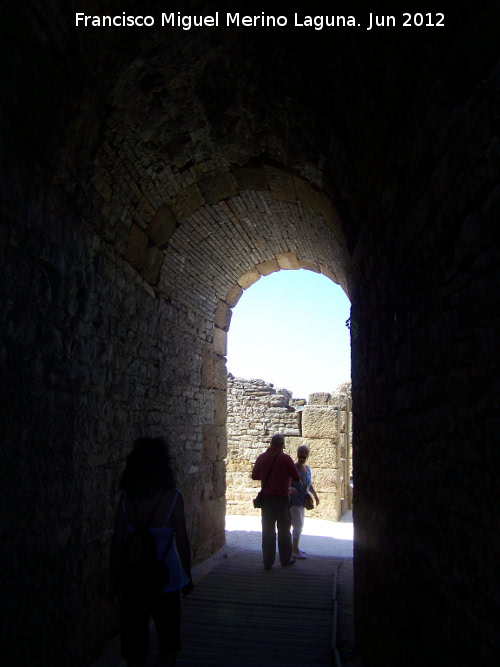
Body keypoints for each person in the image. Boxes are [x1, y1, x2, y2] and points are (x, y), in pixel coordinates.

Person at [109, 436, 194, 667]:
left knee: (135, 649)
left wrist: (113, 580)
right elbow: (183, 541)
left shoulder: (127, 499)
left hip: (133, 579)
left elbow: (117, 542)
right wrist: (187, 577)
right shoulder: (174, 498)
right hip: (167, 578)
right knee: (168, 644)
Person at [251, 433, 300, 569]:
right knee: (284, 530)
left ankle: (268, 561)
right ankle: (285, 560)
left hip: (267, 499)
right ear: (282, 445)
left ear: (271, 444)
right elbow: (296, 478)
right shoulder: (286, 459)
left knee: (268, 531)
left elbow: (255, 476)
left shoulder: (262, 458)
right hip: (283, 500)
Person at [290, 444, 320, 559]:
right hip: (295, 501)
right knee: (298, 525)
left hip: (303, 501)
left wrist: (315, 495)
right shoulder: (293, 468)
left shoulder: (307, 469)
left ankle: (295, 547)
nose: (301, 459)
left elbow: (309, 484)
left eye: (304, 457)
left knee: (300, 525)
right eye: (300, 456)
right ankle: (294, 549)